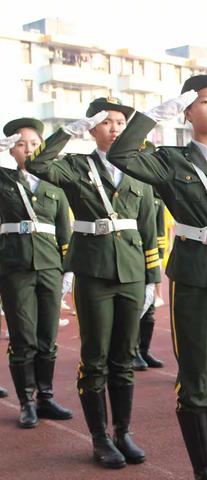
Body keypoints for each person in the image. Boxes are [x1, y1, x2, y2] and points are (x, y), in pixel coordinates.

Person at [107, 75, 207, 480]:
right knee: (195, 378)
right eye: (205, 101)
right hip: (192, 277)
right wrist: (152, 117)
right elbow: (121, 154)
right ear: (188, 112)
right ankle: (203, 471)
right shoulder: (170, 160)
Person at [25, 98, 160, 468]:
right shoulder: (75, 166)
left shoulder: (137, 171)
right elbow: (37, 164)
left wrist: (152, 277)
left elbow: (149, 227)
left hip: (132, 273)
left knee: (124, 358)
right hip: (94, 273)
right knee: (96, 358)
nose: (115, 127)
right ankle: (99, 437)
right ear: (92, 128)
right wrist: (66, 133)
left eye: (120, 122)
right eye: (106, 122)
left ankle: (123, 432)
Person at [0, 119, 72, 428]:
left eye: (34, 143)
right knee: (23, 337)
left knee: (48, 336)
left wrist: (67, 269)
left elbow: (65, 231)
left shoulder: (55, 183)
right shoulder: (3, 180)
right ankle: (26, 401)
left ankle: (46, 396)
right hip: (15, 267)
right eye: (20, 144)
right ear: (10, 150)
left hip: (50, 266)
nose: (28, 149)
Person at [132, 140, 165, 371]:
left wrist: (158, 257)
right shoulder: (129, 188)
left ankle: (144, 350)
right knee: (134, 306)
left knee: (149, 308)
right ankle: (131, 350)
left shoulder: (155, 195)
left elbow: (159, 231)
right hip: (129, 255)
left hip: (150, 256)